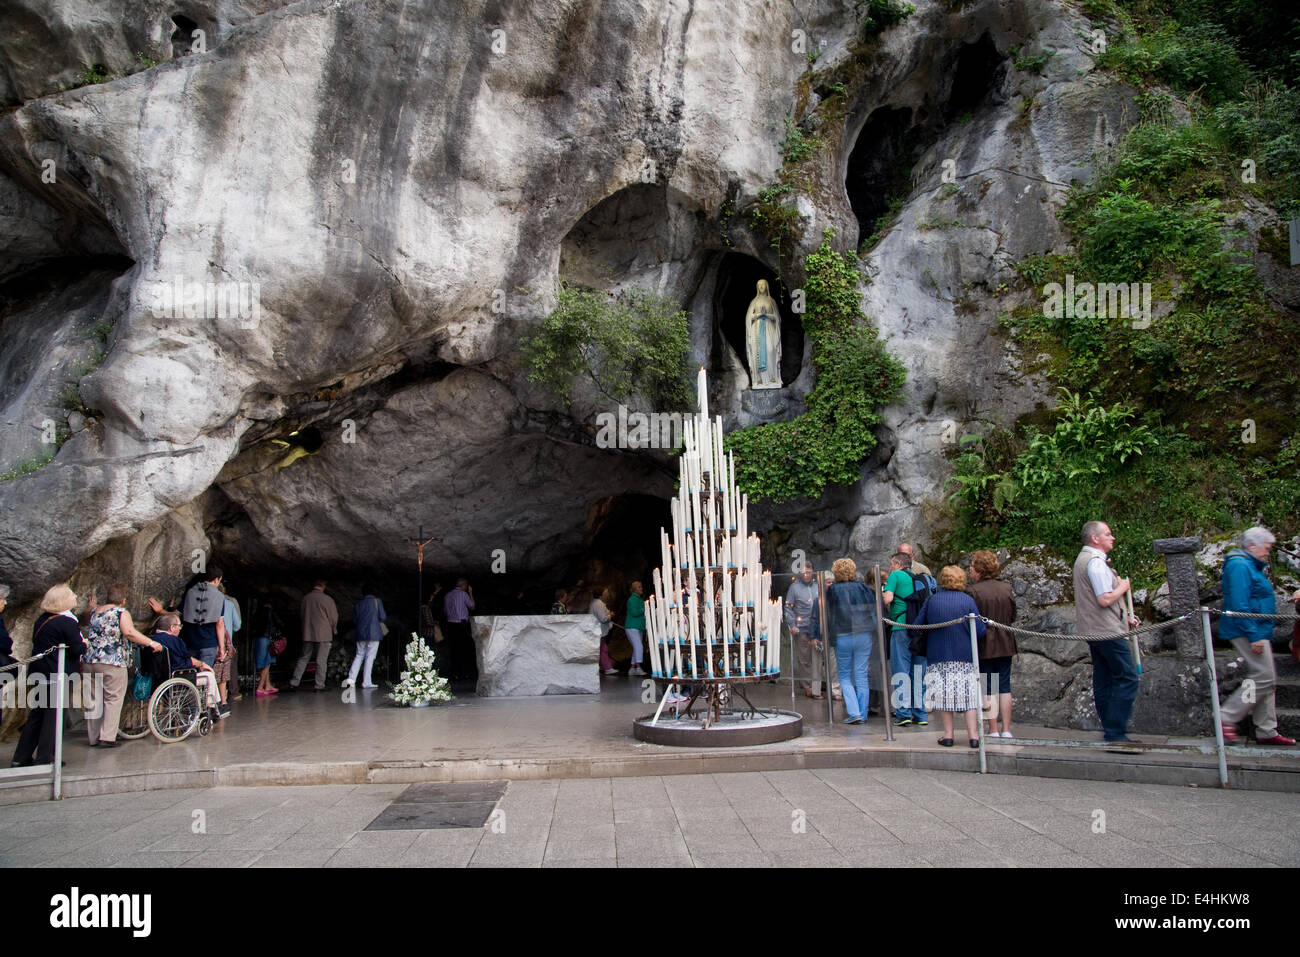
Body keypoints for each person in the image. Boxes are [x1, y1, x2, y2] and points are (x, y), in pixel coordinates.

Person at [1219, 527, 1296, 745]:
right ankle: (1228, 715)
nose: (1267, 553)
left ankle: (1266, 729)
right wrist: (1253, 635)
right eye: (1266, 548)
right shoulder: (1240, 566)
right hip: (1247, 630)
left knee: (1266, 679)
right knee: (1263, 678)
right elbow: (1239, 604)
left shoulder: (1249, 565)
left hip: (1257, 629)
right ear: (1252, 545)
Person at [1074, 521, 1140, 743]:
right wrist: (1123, 587)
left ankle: (1111, 728)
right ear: (1095, 538)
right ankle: (1115, 730)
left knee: (1103, 678)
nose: (1112, 538)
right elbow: (1104, 599)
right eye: (1108, 534)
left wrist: (1125, 617)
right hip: (1106, 631)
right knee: (1127, 676)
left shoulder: (1084, 560)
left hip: (1096, 629)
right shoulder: (1095, 563)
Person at [11, 585, 88, 767]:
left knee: (37, 716)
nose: (75, 596)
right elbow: (77, 649)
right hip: (57, 674)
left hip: (40, 673)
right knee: (53, 717)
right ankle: (46, 757)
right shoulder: (66, 622)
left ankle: (21, 757)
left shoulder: (42, 619)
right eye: (71, 595)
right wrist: (84, 643)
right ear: (63, 601)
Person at [82, 584, 163, 748]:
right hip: (112, 661)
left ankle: (93, 737)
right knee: (113, 699)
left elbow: (83, 618)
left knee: (93, 699)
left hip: (90, 661)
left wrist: (91, 606)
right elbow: (129, 632)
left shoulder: (94, 612)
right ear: (123, 600)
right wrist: (151, 642)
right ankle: (107, 737)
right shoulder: (120, 612)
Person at [914, 566, 986, 747]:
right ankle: (974, 737)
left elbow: (918, 625)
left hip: (938, 655)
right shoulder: (968, 601)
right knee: (968, 697)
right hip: (964, 657)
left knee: (943, 696)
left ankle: (948, 735)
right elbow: (979, 630)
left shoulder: (932, 601)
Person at [815, 558, 875, 725]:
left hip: (843, 635)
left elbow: (828, 614)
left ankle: (854, 712)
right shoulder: (863, 588)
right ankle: (862, 714)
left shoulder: (833, 590)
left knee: (844, 675)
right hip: (864, 634)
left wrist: (825, 634)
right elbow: (873, 610)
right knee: (861, 674)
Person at [967, 550, 1017, 738]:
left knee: (988, 686)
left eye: (972, 566)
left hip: (984, 644)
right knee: (1005, 687)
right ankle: (1006, 730)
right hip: (1006, 642)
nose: (970, 570)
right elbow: (1012, 615)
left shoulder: (973, 591)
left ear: (979, 569)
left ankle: (993, 729)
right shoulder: (1006, 588)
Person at [883, 552, 927, 727]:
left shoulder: (896, 575)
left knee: (901, 670)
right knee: (918, 672)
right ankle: (921, 713)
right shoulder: (919, 579)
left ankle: (903, 713)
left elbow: (888, 598)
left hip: (900, 627)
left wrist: (884, 591)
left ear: (898, 564)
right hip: (920, 629)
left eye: (891, 564)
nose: (890, 568)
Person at [785, 563, 840, 701]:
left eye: (809, 572)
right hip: (802, 627)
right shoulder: (794, 587)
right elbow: (788, 607)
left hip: (820, 629)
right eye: (804, 572)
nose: (807, 575)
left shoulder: (818, 586)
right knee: (805, 659)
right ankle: (809, 686)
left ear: (813, 573)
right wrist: (792, 624)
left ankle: (826, 686)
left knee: (824, 659)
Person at [178, 569, 229, 714]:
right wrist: (222, 648)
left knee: (190, 675)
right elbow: (219, 623)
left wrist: (161, 611)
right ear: (217, 579)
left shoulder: (190, 592)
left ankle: (189, 710)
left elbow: (177, 614)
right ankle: (202, 712)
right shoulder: (219, 596)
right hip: (208, 642)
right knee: (205, 676)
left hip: (190, 641)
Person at [150, 613, 220, 719]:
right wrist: (202, 664)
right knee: (208, 675)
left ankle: (213, 707)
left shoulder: (153, 639)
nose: (180, 629)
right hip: (177, 676)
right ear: (172, 628)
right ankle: (211, 707)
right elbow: (188, 659)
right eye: (179, 626)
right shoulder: (174, 640)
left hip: (157, 678)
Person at [289, 581, 338, 691]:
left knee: (303, 658)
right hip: (323, 634)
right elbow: (333, 618)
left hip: (308, 634)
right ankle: (319, 685)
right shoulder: (327, 599)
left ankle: (294, 682)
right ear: (323, 586)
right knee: (321, 660)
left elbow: (302, 615)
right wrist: (333, 629)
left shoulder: (305, 599)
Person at [344, 584, 387, 690]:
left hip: (361, 633)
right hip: (374, 633)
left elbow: (354, 620)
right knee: (370, 658)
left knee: (359, 655)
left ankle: (351, 679)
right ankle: (366, 682)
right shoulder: (377, 601)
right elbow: (382, 616)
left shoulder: (358, 604)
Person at [444, 578, 476, 681]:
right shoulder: (463, 594)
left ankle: (454, 672)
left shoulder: (447, 595)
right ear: (463, 586)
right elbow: (472, 607)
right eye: (466, 587)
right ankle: (464, 672)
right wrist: (470, 593)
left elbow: (445, 610)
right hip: (461, 624)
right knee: (464, 649)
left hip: (451, 624)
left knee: (454, 649)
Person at [252, 602, 283, 697]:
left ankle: (268, 685)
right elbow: (279, 623)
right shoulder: (270, 611)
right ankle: (260, 687)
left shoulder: (256, 612)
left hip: (257, 638)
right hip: (267, 638)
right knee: (267, 662)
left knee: (262, 662)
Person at [219, 583, 242, 705]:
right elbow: (237, 625)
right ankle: (233, 692)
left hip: (207, 641)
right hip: (227, 641)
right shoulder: (230, 602)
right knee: (230, 667)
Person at [591, 587, 616, 675]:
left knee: (602, 649)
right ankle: (607, 668)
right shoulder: (599, 604)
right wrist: (610, 615)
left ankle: (606, 667)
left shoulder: (593, 603)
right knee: (603, 649)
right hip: (599, 631)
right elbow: (603, 618)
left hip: (595, 630)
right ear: (601, 595)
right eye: (605, 593)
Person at [625, 582, 647, 676]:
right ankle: (638, 667)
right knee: (638, 646)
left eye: (641, 586)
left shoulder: (639, 599)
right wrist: (644, 609)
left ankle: (632, 668)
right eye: (639, 587)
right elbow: (634, 612)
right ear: (634, 589)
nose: (641, 588)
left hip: (638, 627)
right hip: (632, 627)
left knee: (636, 647)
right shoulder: (632, 599)